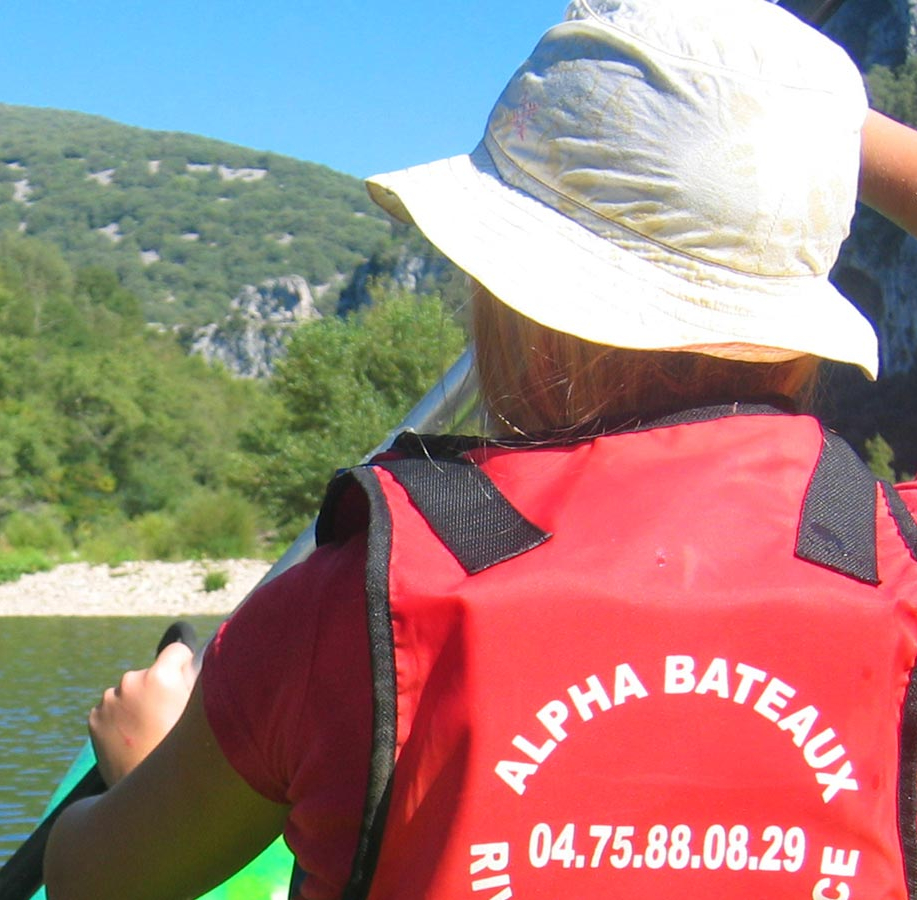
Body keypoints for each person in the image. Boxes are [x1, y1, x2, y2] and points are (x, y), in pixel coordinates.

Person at [44, 1, 917, 898]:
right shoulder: (896, 556)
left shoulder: (342, 605)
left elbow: (90, 880)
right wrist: (800, 118)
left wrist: (150, 759)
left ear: (511, 297)